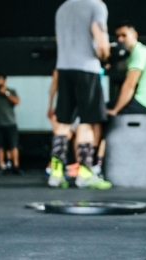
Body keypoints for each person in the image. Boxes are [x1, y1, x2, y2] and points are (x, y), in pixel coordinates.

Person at [50, 0, 111, 189]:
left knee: (63, 123)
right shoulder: (96, 6)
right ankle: (84, 174)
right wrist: (105, 56)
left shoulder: (62, 8)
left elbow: (59, 40)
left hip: (64, 68)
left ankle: (56, 174)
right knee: (86, 122)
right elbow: (100, 40)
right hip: (87, 69)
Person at [106, 21, 146, 116]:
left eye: (124, 35)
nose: (120, 40)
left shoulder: (137, 53)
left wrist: (115, 110)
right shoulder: (143, 50)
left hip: (145, 103)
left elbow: (130, 85)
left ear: (135, 35)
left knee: (98, 112)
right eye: (118, 36)